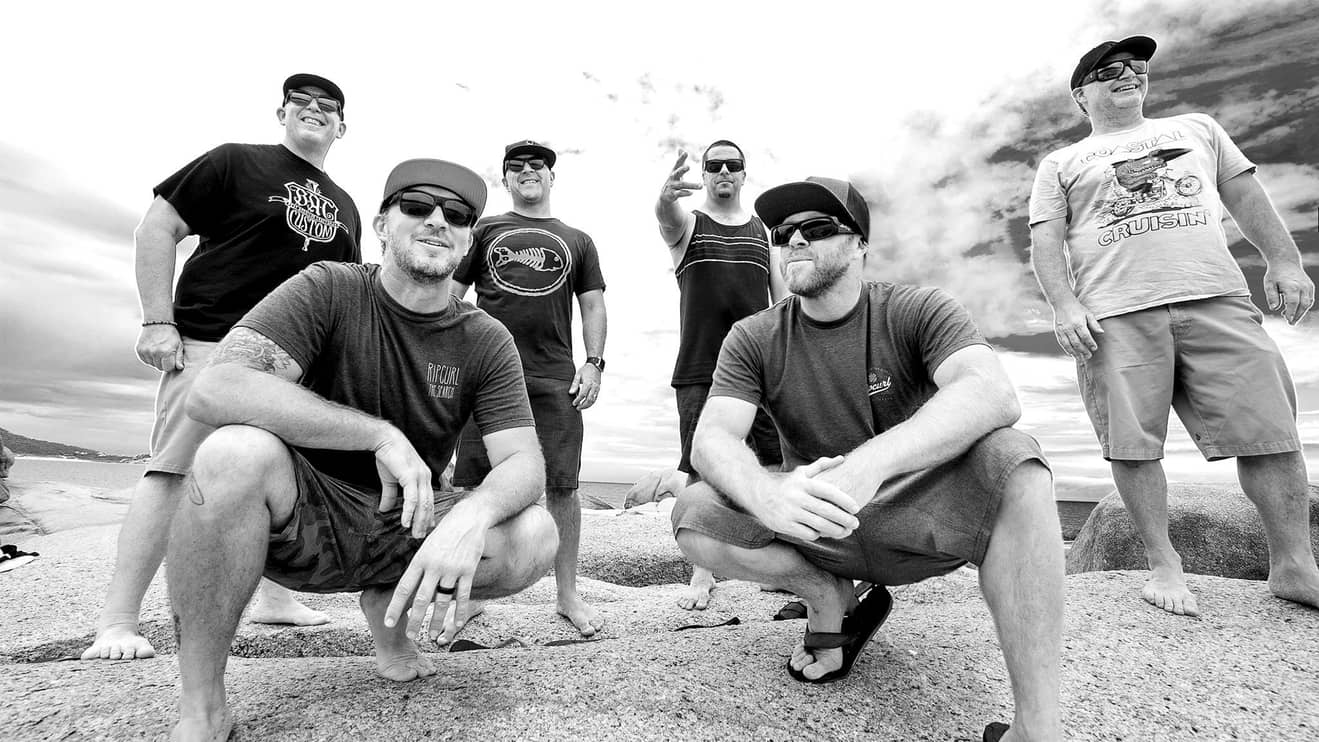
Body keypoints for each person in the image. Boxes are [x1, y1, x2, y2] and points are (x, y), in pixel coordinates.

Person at [168, 159, 557, 741]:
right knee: (231, 453)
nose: (437, 221)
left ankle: (387, 607)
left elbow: (524, 461)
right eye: (417, 207)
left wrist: (472, 515)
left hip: (407, 521)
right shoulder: (329, 287)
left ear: (468, 240)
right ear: (381, 224)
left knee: (535, 532)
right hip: (302, 516)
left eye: (456, 216)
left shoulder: (484, 337)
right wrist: (378, 434)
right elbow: (216, 389)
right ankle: (202, 706)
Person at [671, 177, 1062, 741]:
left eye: (816, 228)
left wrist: (869, 465)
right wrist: (768, 494)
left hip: (915, 520)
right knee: (694, 513)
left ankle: (1037, 731)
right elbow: (712, 438)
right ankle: (829, 599)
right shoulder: (754, 336)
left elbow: (992, 392)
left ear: (859, 244)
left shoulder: (918, 309)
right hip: (817, 527)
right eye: (783, 233)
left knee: (1016, 461)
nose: (795, 241)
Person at [1029, 35, 1319, 617]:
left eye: (1136, 66)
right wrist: (1064, 306)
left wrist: (1285, 262)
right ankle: (1164, 564)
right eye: (1109, 70)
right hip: (1115, 313)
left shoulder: (1197, 129)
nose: (1128, 74)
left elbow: (1245, 196)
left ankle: (1294, 566)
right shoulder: (1061, 163)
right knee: (1131, 442)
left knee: (1271, 430)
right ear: (1080, 95)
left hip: (1216, 297)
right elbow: (1046, 239)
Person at [82, 74, 362, 661]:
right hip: (216, 343)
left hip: (297, 367)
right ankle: (118, 620)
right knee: (174, 472)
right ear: (281, 113)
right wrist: (157, 319)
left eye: (328, 106)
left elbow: (345, 293)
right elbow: (157, 227)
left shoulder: (346, 206)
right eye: (301, 101)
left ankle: (277, 599)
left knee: (285, 481)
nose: (314, 109)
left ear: (343, 126)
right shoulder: (234, 162)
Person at [451, 140, 608, 638]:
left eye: (537, 165)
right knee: (474, 485)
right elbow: (452, 295)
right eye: (515, 166)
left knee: (563, 486)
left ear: (551, 176)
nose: (527, 171)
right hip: (486, 375)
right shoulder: (483, 231)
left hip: (555, 375)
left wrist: (594, 364)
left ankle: (567, 595)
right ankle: (470, 595)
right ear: (505, 178)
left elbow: (592, 304)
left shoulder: (578, 240)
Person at [636, 139, 787, 611]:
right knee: (701, 469)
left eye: (732, 164)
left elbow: (782, 304)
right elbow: (667, 219)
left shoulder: (763, 233)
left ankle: (778, 563)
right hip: (701, 368)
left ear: (743, 173)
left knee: (775, 462)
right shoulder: (689, 227)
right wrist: (664, 199)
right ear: (703, 175)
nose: (724, 171)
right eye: (714, 165)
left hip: (761, 369)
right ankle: (703, 571)